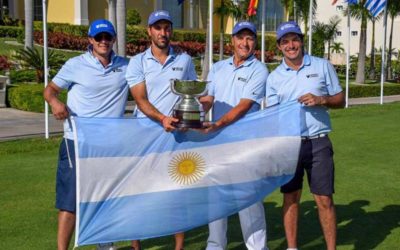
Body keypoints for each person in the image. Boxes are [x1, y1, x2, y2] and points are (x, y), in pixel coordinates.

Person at [43, 19, 129, 250]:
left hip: (109, 145)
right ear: (90, 40)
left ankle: (105, 244)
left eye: (107, 37)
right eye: (98, 38)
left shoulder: (126, 66)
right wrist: (55, 103)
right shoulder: (75, 64)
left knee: (106, 197)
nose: (103, 42)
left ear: (113, 39)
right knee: (70, 202)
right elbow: (50, 90)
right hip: (76, 143)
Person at [265, 21, 345, 250]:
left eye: (295, 39)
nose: (291, 45)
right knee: (290, 198)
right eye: (285, 41)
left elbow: (340, 100)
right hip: (289, 145)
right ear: (279, 46)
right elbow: (272, 115)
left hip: (318, 142)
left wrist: (322, 100)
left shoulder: (322, 66)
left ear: (301, 41)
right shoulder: (274, 78)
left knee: (324, 199)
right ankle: (292, 248)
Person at [125, 10, 197, 250]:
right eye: (158, 28)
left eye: (167, 28)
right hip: (143, 136)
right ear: (149, 31)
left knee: (176, 194)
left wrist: (194, 115)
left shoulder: (185, 60)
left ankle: (178, 247)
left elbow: (193, 94)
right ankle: (137, 247)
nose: (163, 33)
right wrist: (162, 118)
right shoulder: (137, 62)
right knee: (139, 193)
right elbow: (140, 99)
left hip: (176, 137)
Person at [199, 21, 269, 250]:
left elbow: (244, 106)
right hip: (217, 142)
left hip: (245, 143)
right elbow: (208, 97)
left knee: (248, 199)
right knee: (216, 198)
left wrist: (217, 123)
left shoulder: (259, 70)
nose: (244, 43)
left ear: (254, 43)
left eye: (249, 38)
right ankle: (215, 246)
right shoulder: (218, 68)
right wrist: (193, 108)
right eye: (240, 37)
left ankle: (257, 247)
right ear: (232, 41)